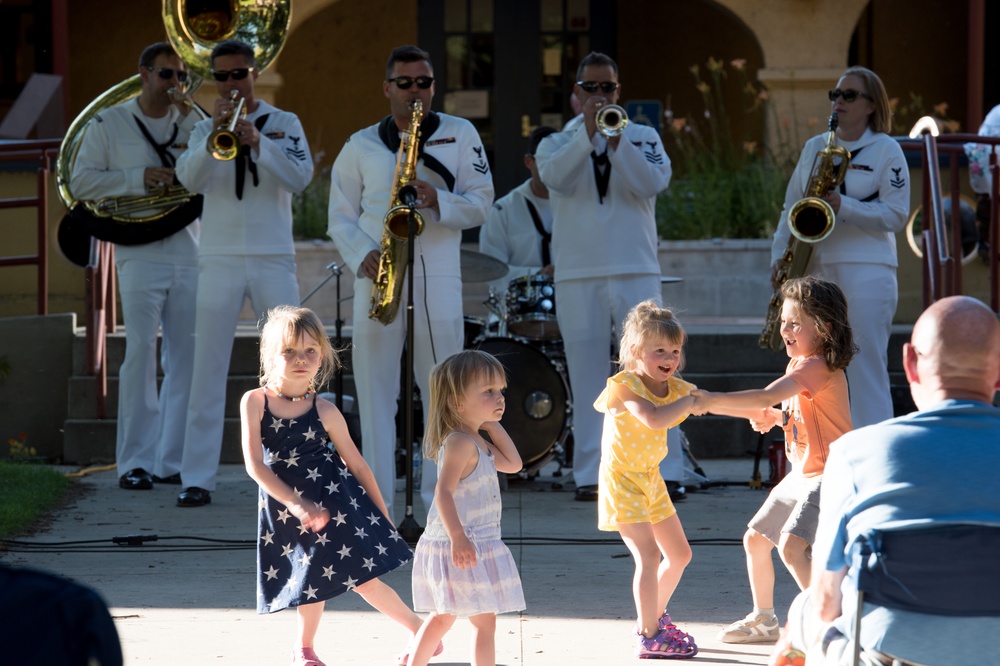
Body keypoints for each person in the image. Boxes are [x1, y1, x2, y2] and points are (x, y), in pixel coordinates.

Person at [774, 295, 1000, 665]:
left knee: (804, 609)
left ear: (910, 363)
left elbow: (828, 602)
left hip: (893, 654)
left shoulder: (856, 453)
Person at [327, 45, 494, 519]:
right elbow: (338, 217)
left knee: (444, 393)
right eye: (405, 83)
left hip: (438, 272)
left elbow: (482, 201)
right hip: (378, 275)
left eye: (424, 83)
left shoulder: (459, 133)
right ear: (387, 88)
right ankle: (379, 507)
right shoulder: (360, 144)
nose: (415, 91)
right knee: (376, 393)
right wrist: (362, 254)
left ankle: (438, 506)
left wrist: (438, 199)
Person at [240, 305, 431, 666]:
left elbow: (357, 465)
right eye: (290, 351)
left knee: (361, 578)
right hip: (287, 507)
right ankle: (306, 649)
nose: (301, 359)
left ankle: (419, 634)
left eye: (310, 351)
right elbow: (255, 466)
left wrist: (382, 513)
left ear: (323, 355)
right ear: (269, 354)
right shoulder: (256, 402)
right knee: (308, 577)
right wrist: (296, 505)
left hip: (334, 506)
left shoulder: (325, 410)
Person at [175, 39, 314, 507]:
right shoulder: (202, 129)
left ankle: (295, 470)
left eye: (239, 74)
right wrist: (215, 134)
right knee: (206, 368)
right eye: (223, 77)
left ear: (255, 73)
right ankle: (196, 477)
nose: (231, 84)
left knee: (292, 365)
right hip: (218, 257)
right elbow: (188, 180)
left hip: (273, 256)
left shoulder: (285, 123)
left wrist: (261, 144)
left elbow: (300, 178)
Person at [534, 52, 672, 502]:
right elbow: (555, 178)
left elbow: (652, 183)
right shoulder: (555, 143)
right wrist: (588, 136)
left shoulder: (643, 136)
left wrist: (616, 142)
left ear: (618, 92)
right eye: (589, 89)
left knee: (651, 372)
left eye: (606, 88)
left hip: (636, 268)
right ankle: (591, 474)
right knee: (589, 376)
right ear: (576, 96)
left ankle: (657, 470)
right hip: (578, 273)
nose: (599, 96)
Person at [692, 277, 856, 645]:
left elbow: (767, 395)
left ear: (825, 327)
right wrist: (777, 418)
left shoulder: (817, 366)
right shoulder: (800, 363)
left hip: (829, 476)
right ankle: (765, 620)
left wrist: (709, 400)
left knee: (792, 547)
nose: (784, 329)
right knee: (755, 540)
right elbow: (795, 412)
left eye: (795, 322)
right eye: (783, 321)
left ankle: (835, 622)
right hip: (804, 474)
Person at [70, 42, 200, 491]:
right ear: (143, 75)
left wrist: (195, 120)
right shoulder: (110, 122)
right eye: (166, 75)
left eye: (181, 77)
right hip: (139, 250)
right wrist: (137, 177)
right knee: (141, 353)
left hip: (188, 247)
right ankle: (134, 463)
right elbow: (81, 180)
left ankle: (172, 461)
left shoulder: (193, 120)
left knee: (186, 357)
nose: (175, 85)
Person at [770, 66, 908, 430]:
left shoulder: (887, 150)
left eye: (849, 95)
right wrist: (779, 258)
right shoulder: (815, 146)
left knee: (864, 368)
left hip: (869, 270)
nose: (839, 102)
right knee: (816, 366)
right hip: (818, 268)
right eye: (835, 95)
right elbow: (791, 208)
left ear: (871, 105)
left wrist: (844, 206)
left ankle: (877, 461)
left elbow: (896, 214)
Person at [594, 300, 699, 659]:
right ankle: (649, 634)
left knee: (680, 555)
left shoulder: (676, 388)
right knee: (649, 556)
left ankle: (654, 615)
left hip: (650, 481)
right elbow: (653, 419)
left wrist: (763, 412)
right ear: (637, 351)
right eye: (660, 351)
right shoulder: (623, 386)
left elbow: (714, 401)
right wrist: (689, 402)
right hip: (621, 481)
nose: (669, 358)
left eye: (675, 350)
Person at [407, 350, 525, 666]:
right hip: (457, 542)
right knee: (445, 617)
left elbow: (514, 464)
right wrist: (458, 537)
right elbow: (442, 493)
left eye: (500, 391)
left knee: (475, 619)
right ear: (458, 401)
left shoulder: (478, 441)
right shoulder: (460, 442)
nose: (500, 397)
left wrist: (491, 424)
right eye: (488, 392)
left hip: (476, 541)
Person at [478, 125, 557, 298]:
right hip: (519, 305)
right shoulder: (502, 211)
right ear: (529, 162)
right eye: (545, 160)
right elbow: (492, 270)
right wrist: (537, 274)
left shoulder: (581, 207)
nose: (553, 168)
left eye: (558, 160)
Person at [964, 103, 998, 262]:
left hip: (984, 159)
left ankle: (985, 242)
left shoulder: (996, 110)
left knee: (986, 199)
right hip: (992, 158)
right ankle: (987, 242)